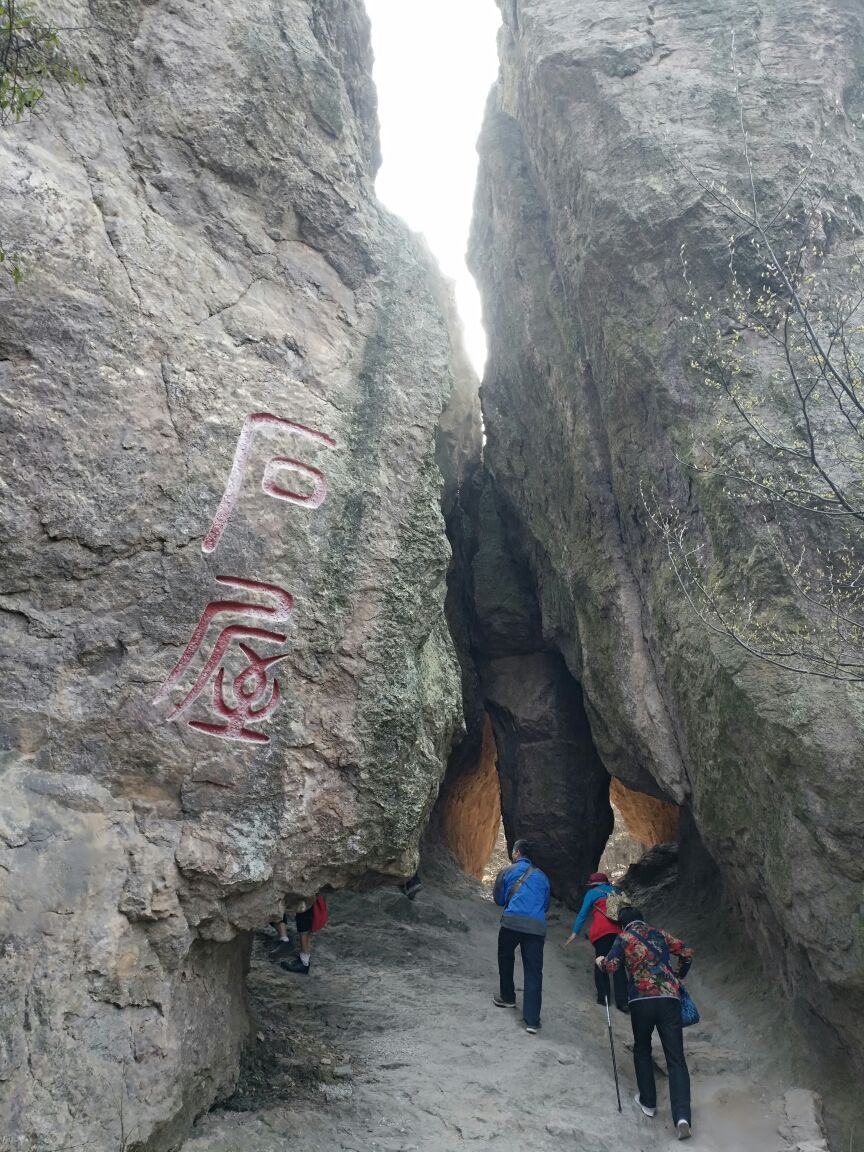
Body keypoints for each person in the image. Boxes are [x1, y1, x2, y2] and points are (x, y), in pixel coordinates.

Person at [598, 907, 695, 1141]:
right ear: (642, 919)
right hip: (669, 999)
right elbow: (687, 952)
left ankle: (648, 1103)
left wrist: (600, 961)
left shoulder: (624, 938)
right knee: (676, 1059)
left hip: (640, 1000)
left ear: (622, 925)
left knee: (642, 1049)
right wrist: (679, 976)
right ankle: (682, 1117)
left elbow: (612, 966)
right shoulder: (660, 934)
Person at [492, 838, 551, 1034]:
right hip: (535, 927)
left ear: (517, 853)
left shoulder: (508, 871)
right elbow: (546, 905)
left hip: (511, 923)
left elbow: (499, 899)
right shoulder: (543, 877)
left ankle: (508, 997)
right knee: (534, 971)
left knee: (505, 956)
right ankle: (532, 1021)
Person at [565, 871, 628, 1012]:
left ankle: (603, 998)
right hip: (619, 932)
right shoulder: (618, 891)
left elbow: (582, 914)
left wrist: (574, 933)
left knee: (601, 962)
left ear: (593, 884)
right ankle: (623, 1002)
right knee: (619, 965)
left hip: (602, 933)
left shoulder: (592, 893)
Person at [281, 893, 328, 975]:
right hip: (312, 898)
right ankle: (304, 960)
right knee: (305, 925)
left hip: (310, 898)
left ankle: (304, 963)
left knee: (304, 926)